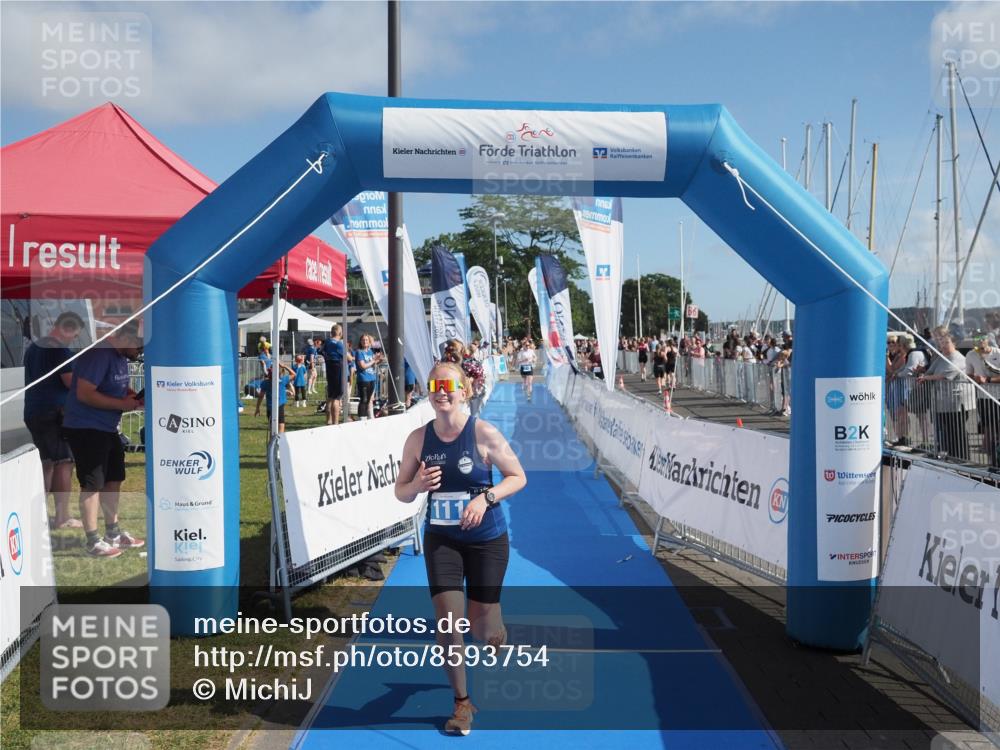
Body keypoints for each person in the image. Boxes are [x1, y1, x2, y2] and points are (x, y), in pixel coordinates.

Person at [394, 360, 527, 736]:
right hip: (443, 540)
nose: (441, 393)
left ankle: (496, 627)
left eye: (448, 387)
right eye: (434, 387)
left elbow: (518, 477)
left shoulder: (483, 433)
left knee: (482, 628)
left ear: (464, 392)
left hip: (487, 540)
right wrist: (417, 485)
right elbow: (401, 492)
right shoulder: (418, 440)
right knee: (449, 623)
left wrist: (486, 497)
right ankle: (462, 703)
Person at [61, 321, 145, 558]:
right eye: (139, 346)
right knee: (92, 483)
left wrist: (131, 396)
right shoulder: (99, 354)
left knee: (114, 479)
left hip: (107, 427)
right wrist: (122, 404)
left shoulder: (120, 356)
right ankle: (92, 541)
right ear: (127, 338)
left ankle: (113, 533)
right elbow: (84, 393)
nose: (141, 352)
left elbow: (116, 386)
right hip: (86, 427)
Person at [23, 311, 85, 529]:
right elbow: (70, 382)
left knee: (47, 463)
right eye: (74, 335)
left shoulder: (34, 348)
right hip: (54, 413)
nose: (73, 340)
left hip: (34, 411)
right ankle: (62, 516)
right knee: (64, 462)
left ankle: (38, 515)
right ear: (67, 328)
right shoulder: (58, 349)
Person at [917, 332, 971, 461]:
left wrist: (926, 378)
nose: (943, 345)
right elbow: (930, 371)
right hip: (942, 401)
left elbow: (946, 375)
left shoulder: (957, 357)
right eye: (941, 343)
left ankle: (962, 457)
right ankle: (951, 455)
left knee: (957, 430)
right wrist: (924, 374)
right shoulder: (941, 357)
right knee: (947, 430)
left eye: (947, 342)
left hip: (956, 401)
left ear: (954, 344)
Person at [966, 334, 1000, 469]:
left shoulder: (997, 353)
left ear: (987, 340)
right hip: (983, 397)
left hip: (998, 397)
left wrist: (988, 380)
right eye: (977, 340)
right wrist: (975, 379)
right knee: (988, 428)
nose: (980, 342)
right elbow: (968, 375)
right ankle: (992, 462)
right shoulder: (971, 355)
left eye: (982, 339)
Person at [322, 324, 353, 425]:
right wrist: (353, 357)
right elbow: (349, 358)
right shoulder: (339, 344)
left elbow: (322, 352)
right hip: (338, 369)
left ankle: (329, 420)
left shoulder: (327, 342)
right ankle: (335, 423)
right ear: (340, 333)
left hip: (329, 368)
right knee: (336, 398)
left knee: (330, 396)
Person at [255, 362, 295, 434]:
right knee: (281, 426)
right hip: (279, 406)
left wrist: (257, 408)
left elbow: (261, 396)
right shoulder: (283, 380)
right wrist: (284, 366)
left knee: (272, 428)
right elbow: (294, 374)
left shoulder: (265, 383)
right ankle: (280, 439)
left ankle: (272, 440)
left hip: (270, 407)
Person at [354, 333, 383, 420]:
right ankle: (362, 418)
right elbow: (363, 366)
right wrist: (374, 360)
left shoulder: (370, 352)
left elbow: (373, 364)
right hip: (363, 379)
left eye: (366, 340)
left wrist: (379, 360)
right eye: (363, 340)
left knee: (370, 399)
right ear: (360, 341)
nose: (365, 341)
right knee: (364, 399)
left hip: (372, 378)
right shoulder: (359, 352)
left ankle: (370, 416)